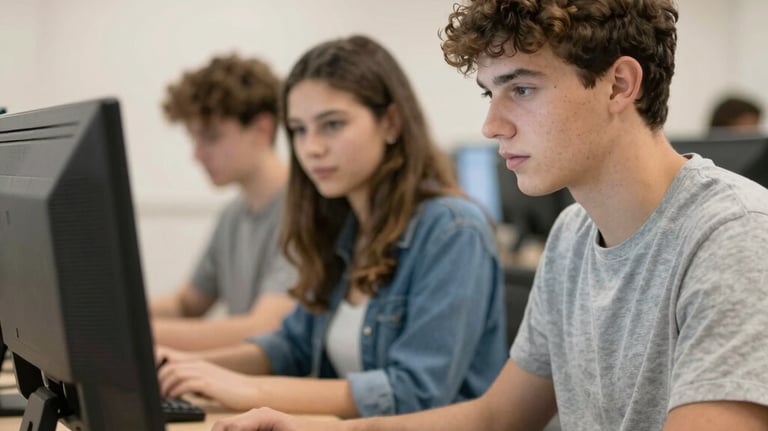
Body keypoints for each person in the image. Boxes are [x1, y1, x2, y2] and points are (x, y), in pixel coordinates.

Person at [209, 1, 768, 430]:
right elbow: (494, 419)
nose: (493, 125)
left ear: (620, 84)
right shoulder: (572, 234)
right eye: (489, 94)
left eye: (521, 88)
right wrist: (319, 426)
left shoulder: (733, 236)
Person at [155, 35, 507, 418]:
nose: (311, 148)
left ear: (390, 123)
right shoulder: (344, 228)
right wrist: (191, 367)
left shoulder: (452, 230)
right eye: (299, 130)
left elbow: (414, 392)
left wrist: (247, 389)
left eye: (332, 125)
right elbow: (291, 346)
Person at [149, 54, 297, 351]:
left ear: (262, 130)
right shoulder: (233, 215)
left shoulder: (304, 214)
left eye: (211, 137)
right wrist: (106, 318)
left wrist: (129, 335)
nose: (197, 155)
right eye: (194, 139)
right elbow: (186, 304)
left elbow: (263, 329)